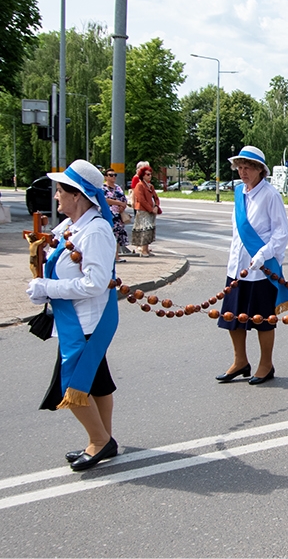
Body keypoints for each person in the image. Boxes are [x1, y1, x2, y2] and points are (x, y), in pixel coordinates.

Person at [26, 160, 120, 471]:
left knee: (72, 385)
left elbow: (94, 283)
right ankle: (105, 437)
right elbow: (54, 248)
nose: (55, 196)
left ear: (77, 195)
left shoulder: (96, 231)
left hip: (86, 323)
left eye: (60, 191)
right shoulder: (71, 226)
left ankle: (98, 441)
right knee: (97, 381)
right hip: (75, 319)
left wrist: (48, 287)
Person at [215, 146, 288, 385]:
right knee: (233, 317)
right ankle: (240, 361)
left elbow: (281, 234)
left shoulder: (270, 195)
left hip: (262, 269)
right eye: (239, 167)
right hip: (237, 267)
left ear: (261, 170)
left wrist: (263, 254)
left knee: (262, 320)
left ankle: (265, 364)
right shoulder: (240, 193)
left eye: (248, 167)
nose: (243, 171)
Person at [131, 165, 161, 257]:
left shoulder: (150, 186)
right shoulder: (139, 185)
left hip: (151, 211)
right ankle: (143, 251)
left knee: (150, 229)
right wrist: (150, 209)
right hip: (143, 211)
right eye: (147, 174)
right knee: (144, 229)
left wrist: (156, 206)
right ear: (142, 175)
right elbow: (141, 199)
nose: (149, 176)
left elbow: (156, 197)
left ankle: (146, 249)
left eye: (150, 174)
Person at [103, 170, 130, 262]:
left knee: (118, 235)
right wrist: (117, 202)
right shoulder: (103, 188)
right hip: (109, 214)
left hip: (119, 216)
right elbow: (104, 200)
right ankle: (109, 257)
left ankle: (116, 256)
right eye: (111, 175)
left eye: (115, 175)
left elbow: (124, 199)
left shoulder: (118, 188)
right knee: (109, 235)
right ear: (106, 177)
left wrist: (123, 205)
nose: (113, 177)